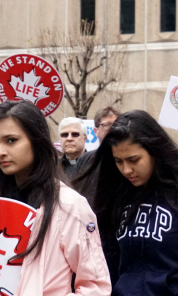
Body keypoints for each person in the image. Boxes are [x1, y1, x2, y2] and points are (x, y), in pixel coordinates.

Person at [76, 110, 178, 295]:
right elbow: (109, 271)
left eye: (133, 160)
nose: (127, 170)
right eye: (118, 161)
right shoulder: (115, 198)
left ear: (155, 152)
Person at [0, 100, 111, 295]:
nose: (1, 151)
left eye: (11, 140)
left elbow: (96, 287)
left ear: (37, 140)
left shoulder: (69, 205)